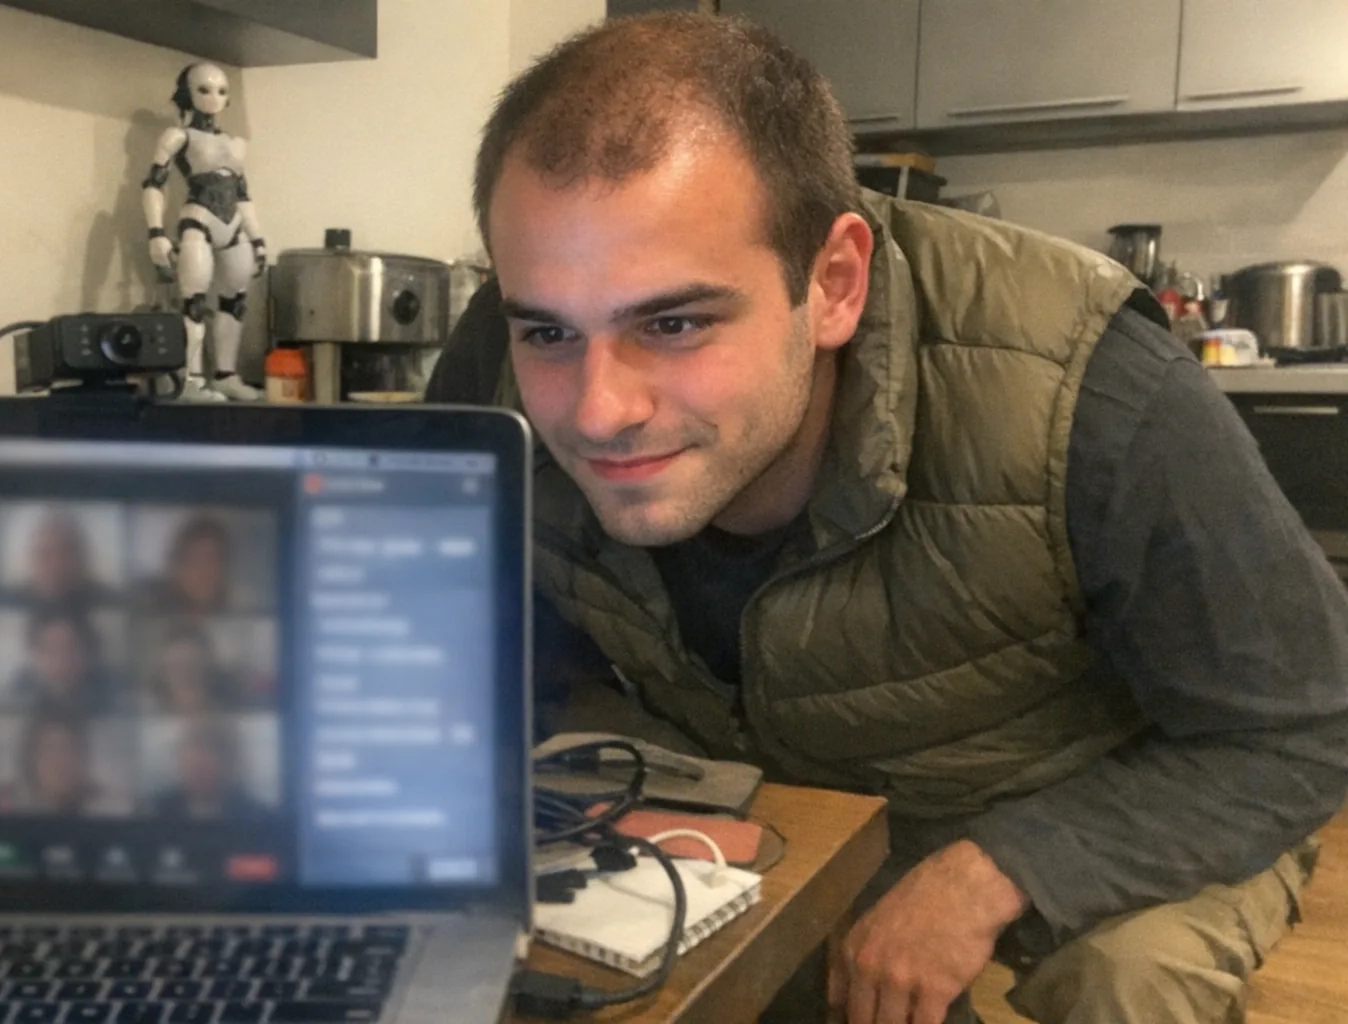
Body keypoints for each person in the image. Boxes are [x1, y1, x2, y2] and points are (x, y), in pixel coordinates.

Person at [425, 14, 1348, 1024]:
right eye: (549, 330)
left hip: (1085, 789)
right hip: (753, 775)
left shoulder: (1098, 395)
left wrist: (998, 868)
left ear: (832, 284)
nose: (598, 410)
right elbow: (441, 638)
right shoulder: (494, 367)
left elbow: (1304, 723)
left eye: (675, 321)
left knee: (1129, 988)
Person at [142, 62, 267, 402]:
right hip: (199, 219)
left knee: (235, 298)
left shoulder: (236, 143)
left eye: (222, 91)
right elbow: (154, 184)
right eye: (204, 89)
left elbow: (243, 195)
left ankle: (225, 374)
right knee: (193, 299)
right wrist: (156, 232)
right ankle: (191, 380)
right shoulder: (178, 136)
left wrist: (257, 238)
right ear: (187, 93)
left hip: (234, 226)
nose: (214, 98)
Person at [0, 711, 127, 816]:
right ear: (31, 758)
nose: (60, 762)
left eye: (68, 750)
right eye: (50, 750)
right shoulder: (8, 809)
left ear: (83, 757)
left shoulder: (108, 811)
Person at [150, 716, 269, 820]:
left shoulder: (260, 818)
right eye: (193, 745)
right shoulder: (155, 812)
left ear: (232, 761)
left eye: (213, 747)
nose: (199, 758)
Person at [8, 608, 117, 713]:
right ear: (33, 653)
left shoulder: (111, 694)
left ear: (87, 652)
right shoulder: (16, 696)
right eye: (50, 649)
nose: (60, 661)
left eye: (70, 649)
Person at [9, 509, 116, 610]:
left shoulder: (109, 603)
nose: (56, 565)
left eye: (67, 552)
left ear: (83, 557)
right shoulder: (11, 603)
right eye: (45, 554)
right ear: (31, 560)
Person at [139, 514, 235, 614]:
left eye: (212, 559)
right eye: (194, 560)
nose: (203, 570)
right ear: (176, 566)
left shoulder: (240, 615)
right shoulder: (148, 615)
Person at [146, 620, 239, 713]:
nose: (185, 674)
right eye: (177, 666)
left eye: (192, 665)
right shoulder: (147, 715)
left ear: (208, 668)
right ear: (163, 671)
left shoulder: (234, 713)